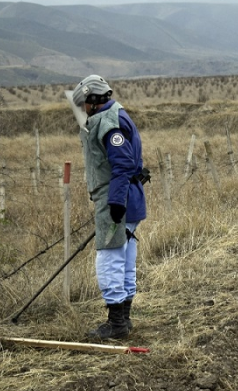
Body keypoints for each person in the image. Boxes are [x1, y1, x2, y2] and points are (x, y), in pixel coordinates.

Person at [69, 75, 147, 340]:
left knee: (110, 259)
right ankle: (123, 320)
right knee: (125, 259)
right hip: (128, 196)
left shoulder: (107, 121)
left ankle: (116, 324)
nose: (82, 110)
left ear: (92, 100)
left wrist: (114, 202)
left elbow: (123, 164)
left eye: (83, 104)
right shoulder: (118, 114)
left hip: (117, 199)